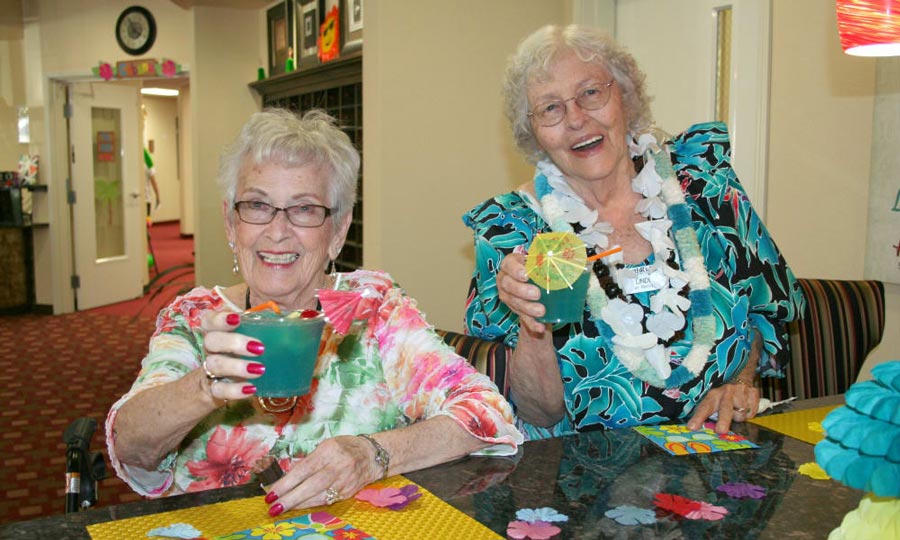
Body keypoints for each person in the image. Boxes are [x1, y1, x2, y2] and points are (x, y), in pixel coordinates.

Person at [106, 109, 522, 516]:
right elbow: (130, 447)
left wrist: (374, 454)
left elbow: (486, 411)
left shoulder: (372, 309)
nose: (277, 230)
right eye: (257, 205)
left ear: (337, 231)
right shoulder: (197, 317)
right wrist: (203, 388)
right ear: (231, 225)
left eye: (304, 209)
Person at [463, 25, 805, 440]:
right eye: (550, 108)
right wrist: (532, 324)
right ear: (532, 130)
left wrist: (741, 382)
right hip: (582, 478)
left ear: (624, 95)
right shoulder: (512, 231)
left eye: (591, 93)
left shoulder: (704, 185)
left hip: (718, 450)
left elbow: (760, 305)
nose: (576, 119)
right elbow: (539, 413)